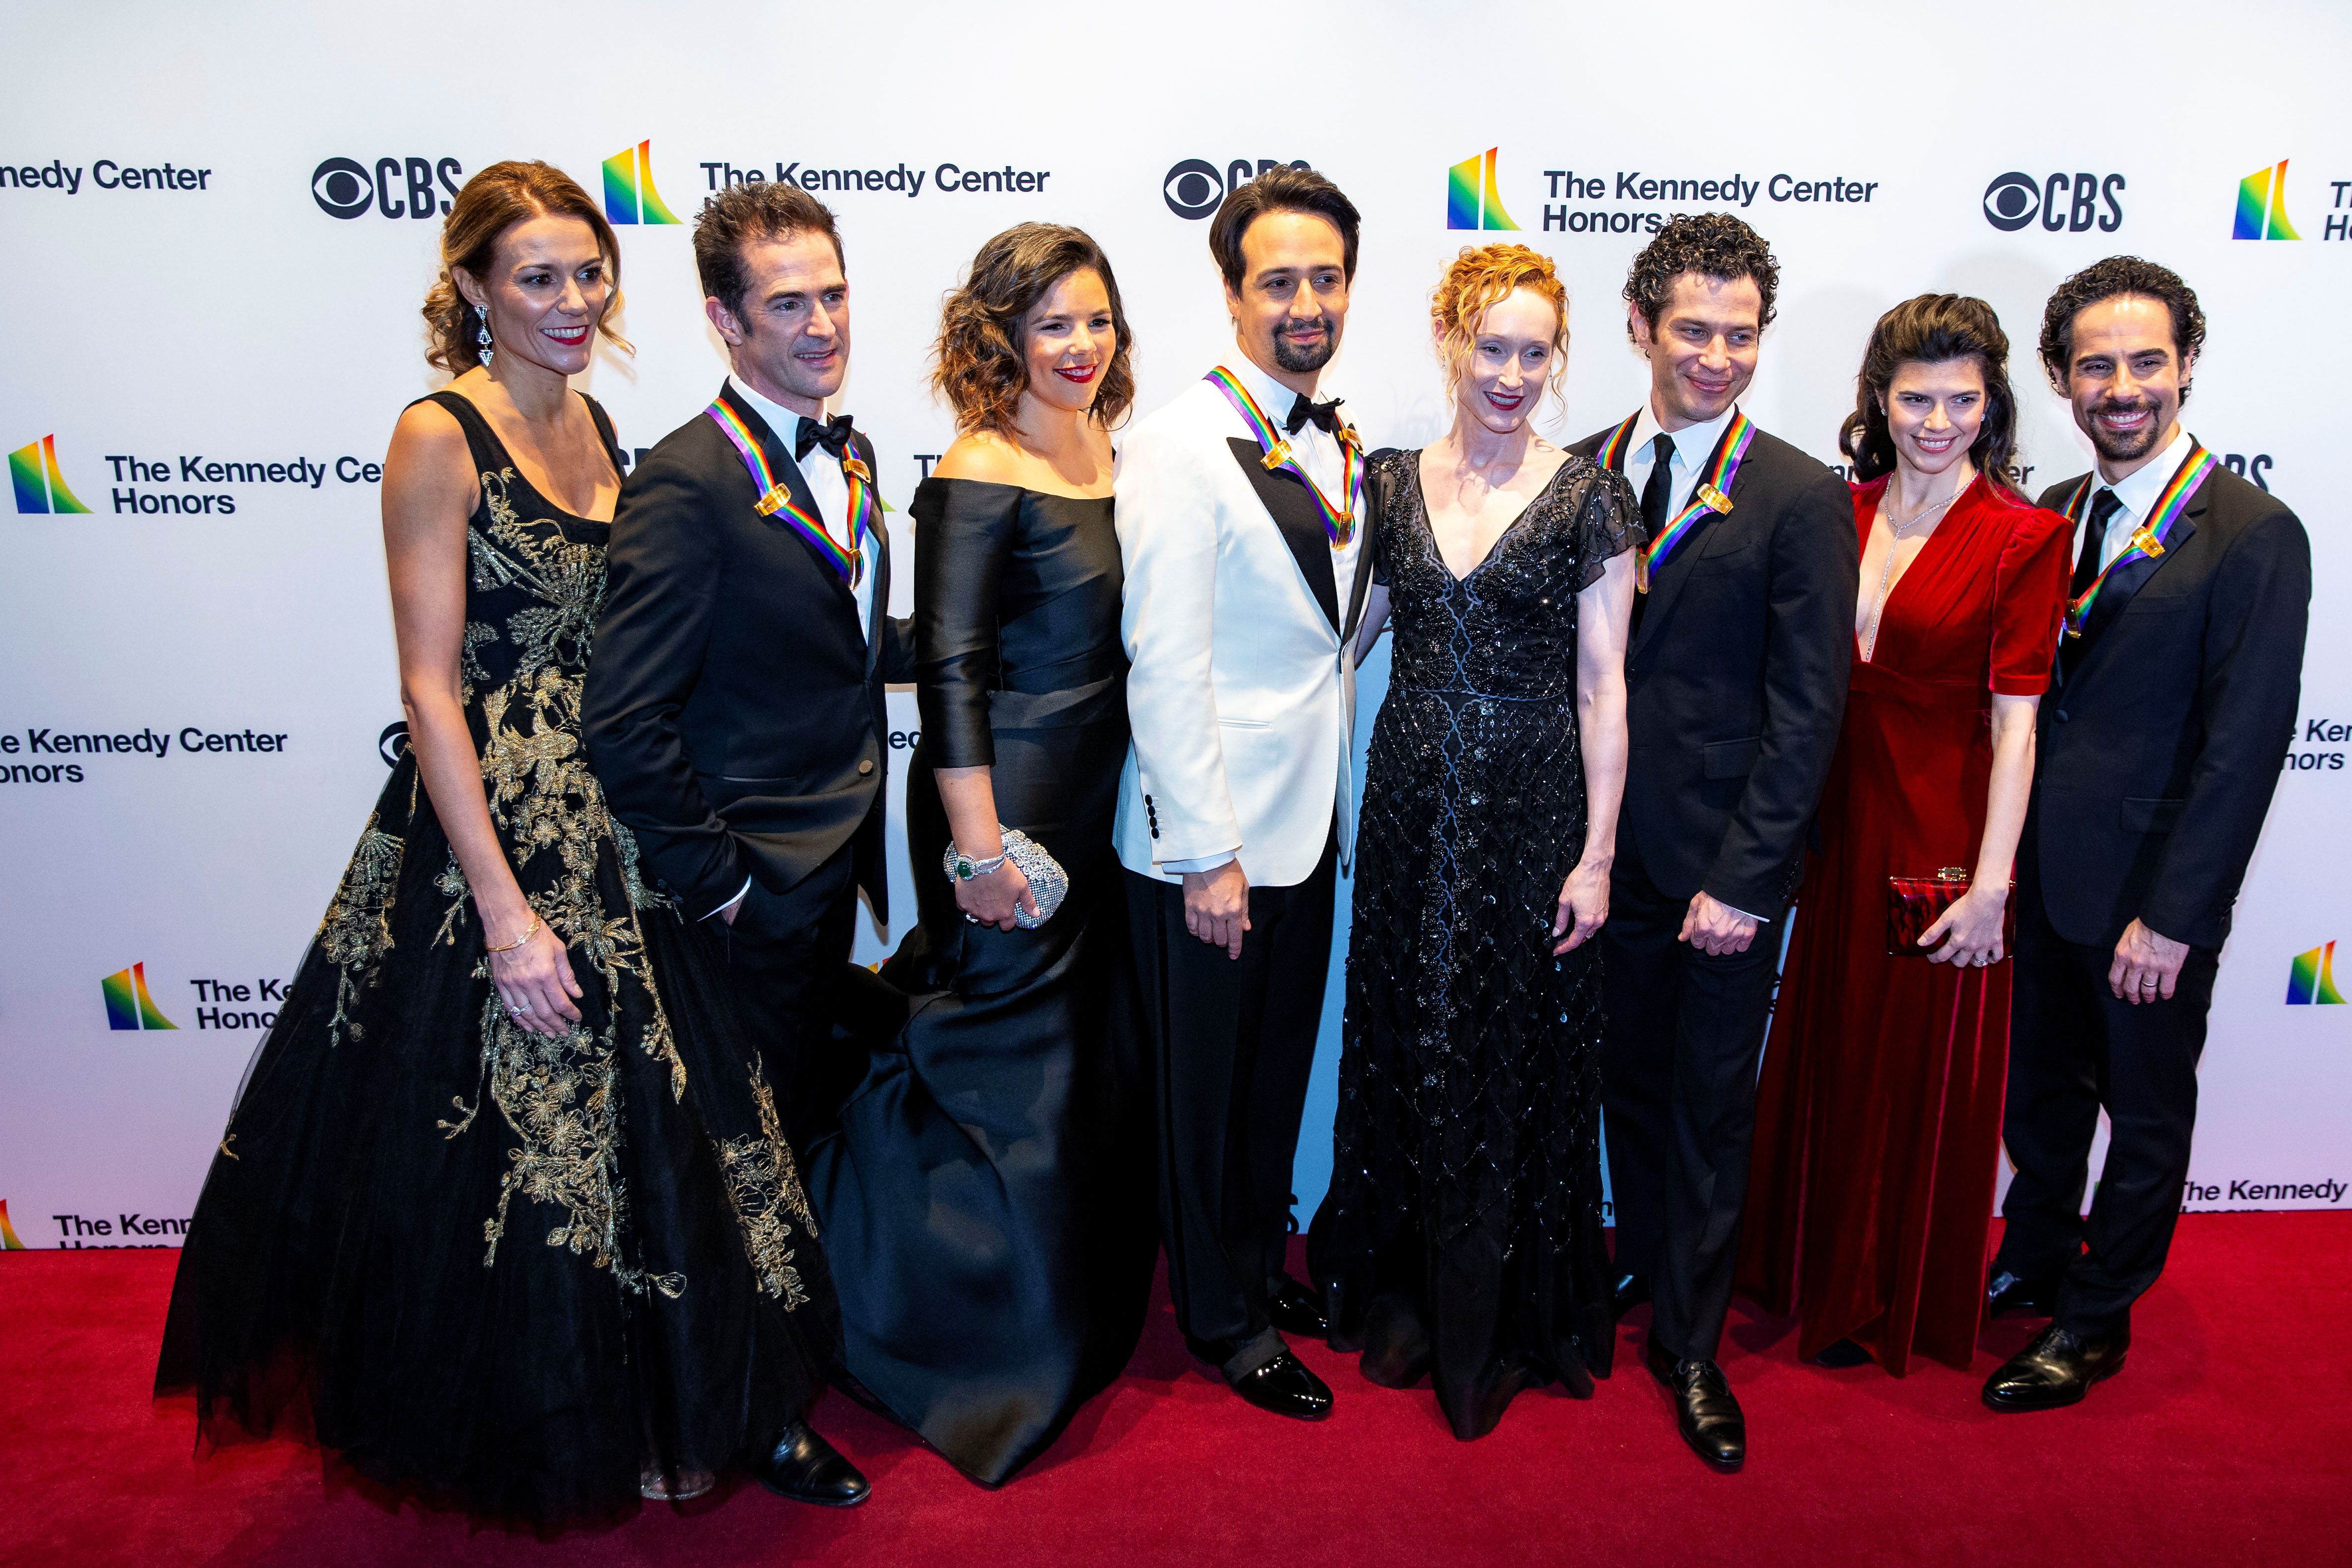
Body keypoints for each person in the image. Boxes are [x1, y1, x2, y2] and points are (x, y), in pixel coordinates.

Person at [155, 161, 846, 1522]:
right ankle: (552, 1423)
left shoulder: (602, 421)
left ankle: (695, 1404)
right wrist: (503, 912)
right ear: (474, 287)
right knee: (520, 1159)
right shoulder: (437, 433)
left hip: (628, 830)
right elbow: (427, 689)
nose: (573, 299)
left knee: (675, 1141)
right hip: (494, 837)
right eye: (539, 277)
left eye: (590, 272)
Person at [582, 178, 918, 1503]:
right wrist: (717, 878)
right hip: (738, 893)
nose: (823, 322)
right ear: (724, 320)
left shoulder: (854, 451)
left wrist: (980, 656)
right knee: (730, 1165)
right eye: (790, 303)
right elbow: (625, 717)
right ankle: (747, 1418)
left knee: (783, 1141)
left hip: (829, 868)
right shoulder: (682, 481)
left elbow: (830, 647)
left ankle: (775, 1370)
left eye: (833, 293)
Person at [802, 224, 1153, 1487]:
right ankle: (929, 1328)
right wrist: (978, 850)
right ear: (999, 334)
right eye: (1051, 323)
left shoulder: (1119, 444)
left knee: (1068, 1076)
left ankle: (1061, 1310)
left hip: (1104, 809)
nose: (1080, 345)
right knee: (998, 1069)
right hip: (999, 812)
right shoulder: (977, 459)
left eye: (1097, 319)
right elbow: (948, 670)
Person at [1308, 244, 1637, 1439]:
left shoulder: (1590, 491)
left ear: (1559, 359)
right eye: (1490, 347)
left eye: (1533, 352)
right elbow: (1337, 646)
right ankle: (1402, 1289)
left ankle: (1497, 1315)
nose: (1510, 374)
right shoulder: (1387, 483)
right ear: (1451, 343)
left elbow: (1606, 692)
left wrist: (1597, 856)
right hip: (1407, 802)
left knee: (1510, 1050)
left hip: (1531, 811)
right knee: (1408, 1031)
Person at [1981, 257, 2309, 1412]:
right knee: (2042, 1093)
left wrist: (2173, 918)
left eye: (2147, 363)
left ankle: (2099, 1310)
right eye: (2097, 365)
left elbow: (2245, 745)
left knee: (2149, 1107)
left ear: (2185, 367)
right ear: (2063, 376)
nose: (2123, 388)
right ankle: (2031, 1252)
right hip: (2040, 880)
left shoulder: (2253, 531)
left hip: (2147, 897)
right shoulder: (2051, 511)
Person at [1735, 295, 2071, 1376]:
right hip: (1834, 824)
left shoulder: (2025, 537)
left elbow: (2017, 729)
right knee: (1831, 1043)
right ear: (1879, 398)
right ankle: (1803, 1264)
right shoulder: (1843, 507)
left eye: (1962, 399)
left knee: (1907, 1069)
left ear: (1992, 401)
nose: (1938, 420)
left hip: (1937, 835)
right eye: (1917, 397)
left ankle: (1885, 1292)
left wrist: (1991, 885)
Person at [1571, 214, 1857, 1473]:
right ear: (1639, 327)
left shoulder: (1798, 495)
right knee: (1623, 1080)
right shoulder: (1576, 469)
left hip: (1721, 872)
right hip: (1595, 859)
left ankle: (1692, 1342)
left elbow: (1809, 711)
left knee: (1707, 1105)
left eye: (1741, 335)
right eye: (1694, 330)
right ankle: (1639, 1260)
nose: (1719, 356)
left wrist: (1747, 878)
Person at [1114, 166, 1377, 1422]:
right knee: (1207, 1099)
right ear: (1231, 296)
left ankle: (1260, 1271)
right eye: (1279, 281)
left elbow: (1334, 635)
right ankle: (1219, 1319)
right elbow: (1165, 662)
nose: (1306, 302)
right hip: (1208, 846)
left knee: (1275, 1077)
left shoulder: (1342, 440)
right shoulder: (1174, 445)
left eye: (1325, 278)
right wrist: (1204, 852)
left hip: (1309, 820)